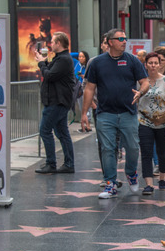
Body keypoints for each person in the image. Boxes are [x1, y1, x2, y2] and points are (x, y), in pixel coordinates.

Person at [81, 28, 149, 199]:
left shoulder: (132, 60)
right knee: (108, 149)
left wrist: (141, 92)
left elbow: (145, 81)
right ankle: (110, 183)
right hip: (105, 114)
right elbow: (89, 88)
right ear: (110, 41)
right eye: (120, 39)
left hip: (128, 112)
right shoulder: (97, 63)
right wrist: (84, 113)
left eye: (125, 38)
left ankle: (131, 173)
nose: (124, 41)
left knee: (133, 147)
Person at [35, 31, 76, 174]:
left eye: (52, 42)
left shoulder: (64, 59)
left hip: (57, 101)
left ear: (59, 43)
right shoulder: (60, 59)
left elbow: (50, 76)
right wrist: (45, 62)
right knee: (62, 132)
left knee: (45, 130)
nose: (51, 44)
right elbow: (52, 73)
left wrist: (41, 63)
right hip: (58, 100)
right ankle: (68, 163)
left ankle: (51, 163)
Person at [138, 52, 165, 194]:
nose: (153, 65)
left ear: (160, 64)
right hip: (144, 121)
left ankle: (162, 178)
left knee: (162, 152)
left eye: (155, 63)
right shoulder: (141, 81)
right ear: (146, 65)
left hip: (163, 122)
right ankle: (148, 184)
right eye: (150, 63)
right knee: (146, 152)